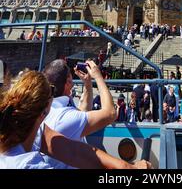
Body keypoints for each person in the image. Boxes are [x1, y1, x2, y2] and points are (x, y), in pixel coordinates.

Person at [0, 71, 150, 169]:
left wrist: (128, 167)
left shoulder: (31, 128)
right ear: (44, 109)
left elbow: (74, 151)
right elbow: (110, 113)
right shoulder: (28, 165)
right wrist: (98, 76)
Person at [42, 59, 116, 168]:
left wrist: (87, 84)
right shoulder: (63, 117)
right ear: (68, 82)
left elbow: (82, 113)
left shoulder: (48, 109)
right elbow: (110, 113)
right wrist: (98, 77)